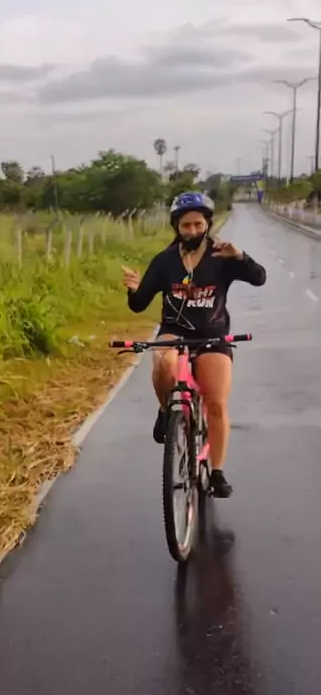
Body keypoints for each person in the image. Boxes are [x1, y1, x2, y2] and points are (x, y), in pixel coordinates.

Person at [122, 191, 266, 498]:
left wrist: (240, 257)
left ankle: (217, 472)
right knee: (163, 362)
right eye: (186, 225)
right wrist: (133, 290)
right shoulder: (164, 261)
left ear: (207, 224)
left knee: (216, 403)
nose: (192, 231)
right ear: (176, 226)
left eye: (198, 224)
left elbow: (259, 278)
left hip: (213, 335)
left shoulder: (222, 255)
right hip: (175, 332)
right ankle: (166, 412)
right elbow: (139, 304)